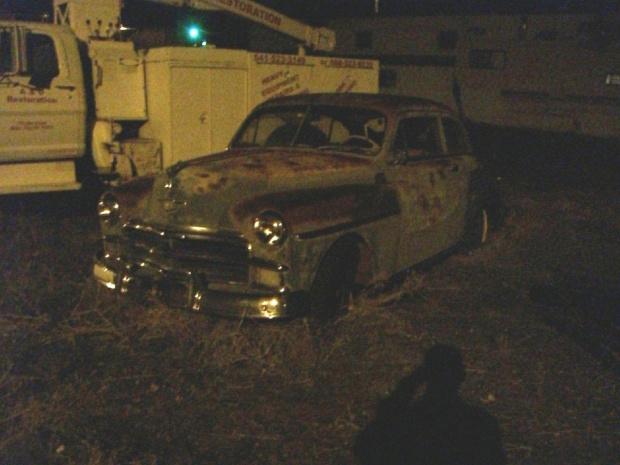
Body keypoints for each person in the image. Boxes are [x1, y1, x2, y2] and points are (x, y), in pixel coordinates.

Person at [354, 344, 506, 465]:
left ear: (426, 376)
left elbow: (365, 448)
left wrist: (408, 386)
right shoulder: (480, 423)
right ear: (461, 376)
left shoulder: (407, 422)